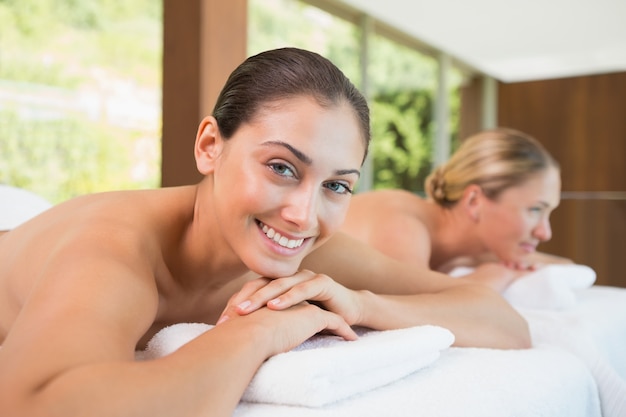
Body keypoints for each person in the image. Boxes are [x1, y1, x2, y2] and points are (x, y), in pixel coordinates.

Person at [0, 48, 528, 417]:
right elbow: (37, 406)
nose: (303, 214)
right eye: (281, 167)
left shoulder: (304, 246)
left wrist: (358, 304)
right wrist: (257, 333)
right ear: (210, 146)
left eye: (337, 186)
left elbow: (504, 323)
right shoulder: (112, 248)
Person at [340, 127, 572, 293]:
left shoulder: (472, 251)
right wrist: (491, 277)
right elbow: (419, 311)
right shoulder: (402, 225)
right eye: (534, 210)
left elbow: (565, 266)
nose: (545, 233)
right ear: (474, 201)